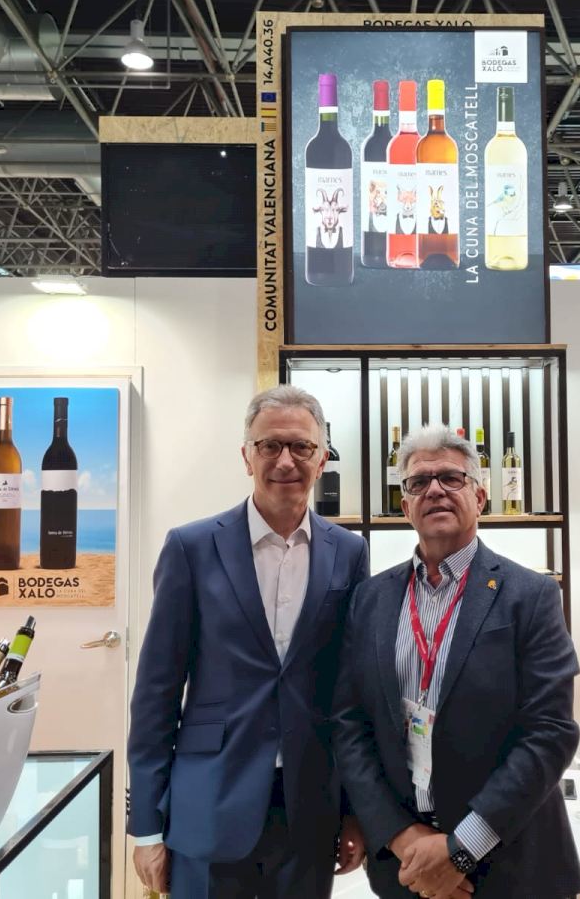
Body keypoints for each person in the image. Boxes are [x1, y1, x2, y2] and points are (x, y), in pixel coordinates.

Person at [128, 385, 370, 898]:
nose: (285, 460)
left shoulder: (349, 552)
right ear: (246, 456)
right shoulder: (191, 547)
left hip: (309, 804)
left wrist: (354, 811)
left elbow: (351, 692)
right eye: (269, 445)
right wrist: (146, 826)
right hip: (209, 801)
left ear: (322, 458)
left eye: (301, 447)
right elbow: (155, 693)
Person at [333, 424, 580, 899]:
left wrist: (460, 850)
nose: (435, 490)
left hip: (510, 864)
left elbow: (550, 731)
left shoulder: (531, 596)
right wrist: (400, 836)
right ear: (405, 506)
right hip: (405, 867)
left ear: (480, 496)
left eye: (451, 477)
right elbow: (350, 724)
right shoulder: (370, 599)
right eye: (418, 482)